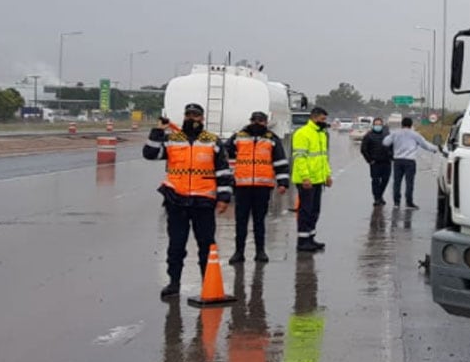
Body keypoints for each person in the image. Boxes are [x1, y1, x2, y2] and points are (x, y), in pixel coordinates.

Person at [142, 103, 233, 299]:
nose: (192, 118)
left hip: (203, 201)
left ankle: (207, 283)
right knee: (176, 245)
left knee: (206, 245)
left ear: (203, 118)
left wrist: (224, 198)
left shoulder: (212, 141)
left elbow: (224, 172)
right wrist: (158, 131)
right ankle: (174, 283)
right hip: (177, 200)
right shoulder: (172, 139)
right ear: (184, 116)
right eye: (189, 115)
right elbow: (150, 154)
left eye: (196, 115)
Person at [225, 111, 290, 264]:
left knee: (259, 221)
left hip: (262, 186)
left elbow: (280, 161)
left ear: (266, 122)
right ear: (250, 121)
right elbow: (225, 152)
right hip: (242, 186)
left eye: (261, 121)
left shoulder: (272, 139)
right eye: (255, 120)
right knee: (241, 221)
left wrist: (283, 183)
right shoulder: (239, 137)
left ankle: (260, 251)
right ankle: (238, 252)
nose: (257, 123)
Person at [291, 106, 332, 252]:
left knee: (315, 210)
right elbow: (300, 158)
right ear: (314, 117)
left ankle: (311, 238)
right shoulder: (303, 133)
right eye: (322, 119)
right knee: (305, 210)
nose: (324, 122)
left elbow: (323, 158)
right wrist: (305, 177)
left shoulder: (321, 134)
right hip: (306, 180)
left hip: (318, 179)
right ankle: (302, 241)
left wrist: (327, 175)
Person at [382, 116, 437, 209]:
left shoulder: (395, 133)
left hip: (397, 161)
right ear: (411, 125)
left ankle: (396, 203)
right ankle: (409, 202)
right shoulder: (415, 134)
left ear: (402, 124)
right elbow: (425, 144)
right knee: (409, 183)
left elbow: (385, 142)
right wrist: (435, 149)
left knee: (397, 182)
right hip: (409, 162)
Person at [360, 116, 392, 206]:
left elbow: (392, 146)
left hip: (386, 162)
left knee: (385, 180)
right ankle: (377, 198)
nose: (378, 126)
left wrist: (391, 156)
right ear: (373, 125)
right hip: (375, 162)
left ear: (382, 125)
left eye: (379, 124)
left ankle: (380, 195)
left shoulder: (387, 135)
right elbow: (363, 149)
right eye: (376, 124)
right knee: (375, 181)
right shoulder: (368, 136)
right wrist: (369, 160)